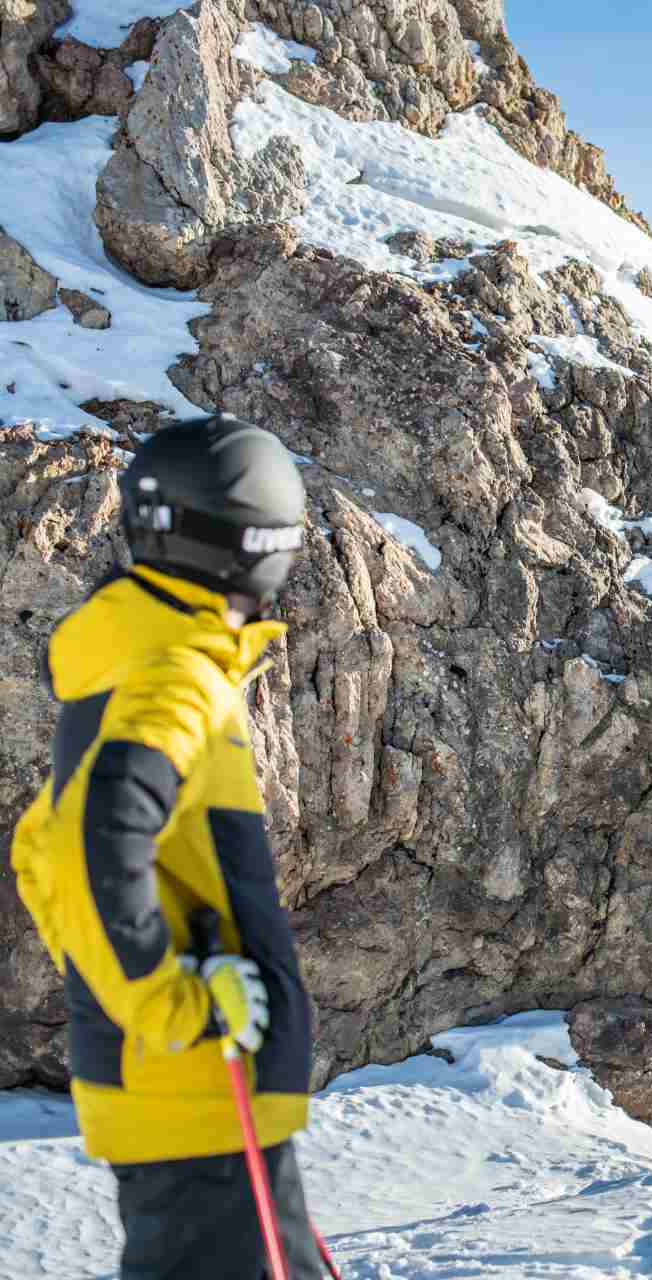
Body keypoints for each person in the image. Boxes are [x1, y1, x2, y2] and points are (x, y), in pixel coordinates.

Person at [9, 416, 325, 1278]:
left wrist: (132, 982)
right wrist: (169, 1001)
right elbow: (86, 838)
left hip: (194, 1098)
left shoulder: (146, 654)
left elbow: (43, 846)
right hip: (194, 1091)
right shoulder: (178, 668)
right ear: (256, 542)